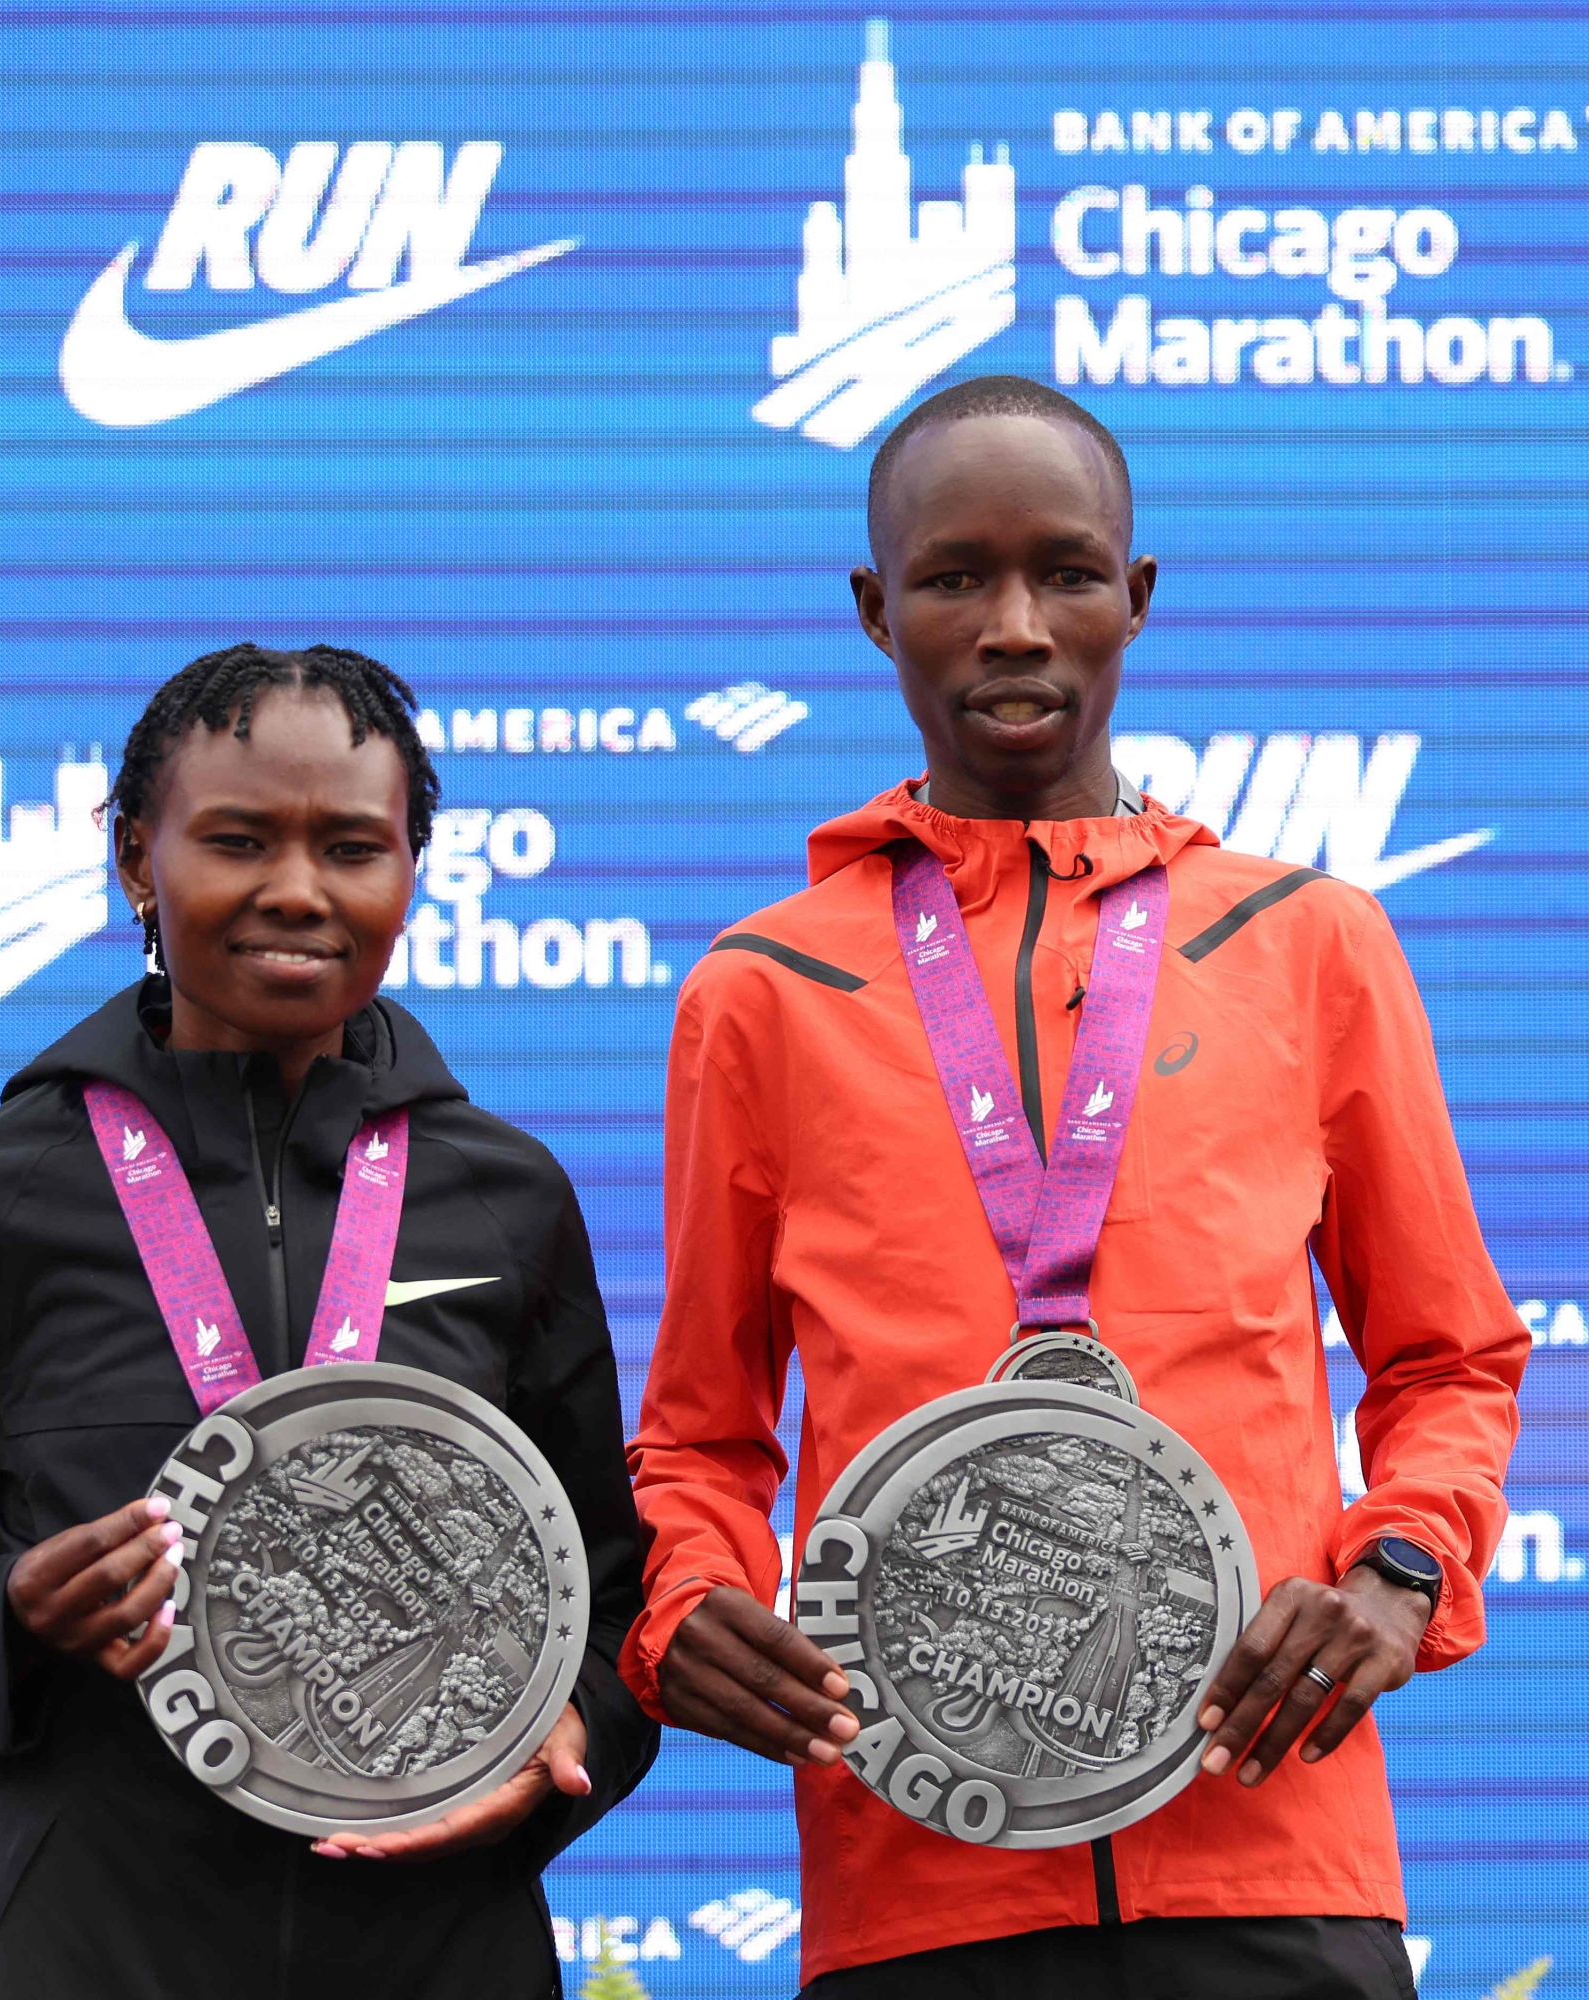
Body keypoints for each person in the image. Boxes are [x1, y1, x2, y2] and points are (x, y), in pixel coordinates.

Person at [622, 377, 1529, 1998]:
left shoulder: (1307, 943)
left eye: (1069, 573)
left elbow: (1449, 1360)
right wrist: (687, 1600)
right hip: (917, 1873)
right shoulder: (762, 988)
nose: (1017, 626)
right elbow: (698, 1431)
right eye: (956, 578)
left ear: (1140, 597)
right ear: (874, 611)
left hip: (1275, 1841)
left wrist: (1399, 1573)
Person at [0, 644, 656, 2000]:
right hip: (83, 1951)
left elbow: (613, 1590)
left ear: (413, 869)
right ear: (135, 859)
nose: (298, 889)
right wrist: (12, 1613)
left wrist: (561, 1741)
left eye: (355, 846)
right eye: (238, 840)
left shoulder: (503, 1199)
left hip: (441, 1950)